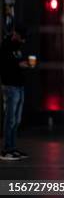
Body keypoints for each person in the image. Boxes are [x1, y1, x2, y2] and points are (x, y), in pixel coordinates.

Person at [0, 27, 32, 161]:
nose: (23, 40)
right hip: (10, 86)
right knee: (10, 119)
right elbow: (6, 65)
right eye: (21, 37)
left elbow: (18, 62)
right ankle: (7, 149)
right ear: (15, 35)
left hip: (19, 85)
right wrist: (19, 65)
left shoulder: (18, 47)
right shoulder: (6, 46)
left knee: (16, 120)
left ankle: (12, 147)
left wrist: (23, 64)